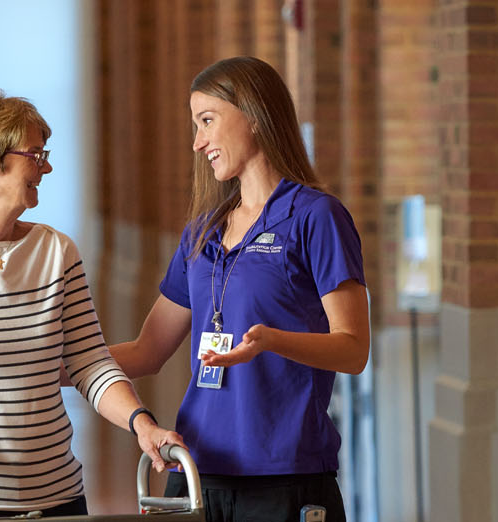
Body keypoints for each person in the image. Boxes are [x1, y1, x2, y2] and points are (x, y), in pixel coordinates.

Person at [0, 87, 185, 521]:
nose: (47, 166)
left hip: (56, 497)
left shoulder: (56, 251)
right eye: (36, 155)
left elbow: (90, 363)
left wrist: (142, 423)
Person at [109, 56, 370, 522]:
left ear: (254, 114)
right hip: (194, 471)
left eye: (207, 121)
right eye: (195, 125)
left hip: (283, 479)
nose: (198, 142)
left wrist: (269, 341)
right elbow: (149, 350)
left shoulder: (316, 217)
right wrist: (60, 364)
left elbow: (353, 350)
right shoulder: (201, 232)